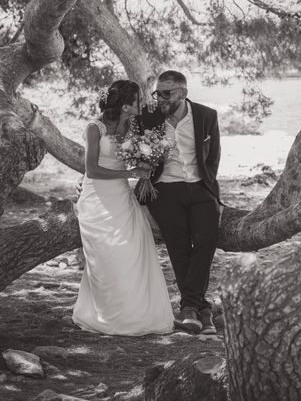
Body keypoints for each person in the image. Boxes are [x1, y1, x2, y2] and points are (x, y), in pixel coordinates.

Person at [73, 80, 174, 336]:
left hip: (122, 197)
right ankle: (106, 316)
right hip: (97, 198)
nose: (143, 103)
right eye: (138, 100)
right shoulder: (94, 128)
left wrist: (148, 162)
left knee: (132, 250)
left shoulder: (133, 124)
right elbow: (91, 170)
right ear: (126, 106)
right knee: (108, 256)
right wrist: (130, 171)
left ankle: (136, 314)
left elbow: (150, 142)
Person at [138, 70, 221, 335]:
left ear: (183, 93)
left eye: (167, 93)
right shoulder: (148, 119)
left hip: (200, 188)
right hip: (165, 190)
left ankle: (192, 307)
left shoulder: (207, 116)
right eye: (157, 92)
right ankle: (199, 310)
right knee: (179, 244)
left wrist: (209, 187)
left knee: (208, 238)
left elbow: (213, 158)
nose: (160, 98)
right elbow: (135, 152)